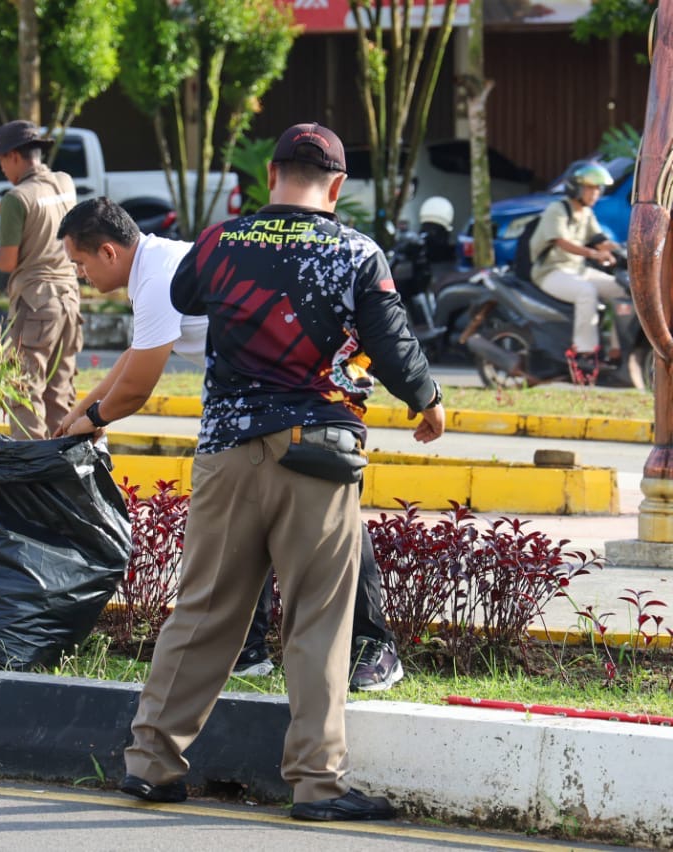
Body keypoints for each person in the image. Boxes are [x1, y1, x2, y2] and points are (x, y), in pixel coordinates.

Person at [116, 123, 444, 820]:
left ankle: (150, 764)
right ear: (337, 186)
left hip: (228, 452)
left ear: (270, 175)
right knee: (318, 617)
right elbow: (390, 340)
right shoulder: (355, 251)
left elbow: (183, 295)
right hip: (317, 453)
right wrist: (427, 399)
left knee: (204, 609)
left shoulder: (221, 241)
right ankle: (317, 783)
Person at [55, 197, 405, 692]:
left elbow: (136, 388)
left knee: (332, 514)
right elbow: (135, 357)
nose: (80, 275)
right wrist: (80, 413)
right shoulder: (155, 264)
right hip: (254, 397)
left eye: (80, 263)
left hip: (303, 391)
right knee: (252, 511)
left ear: (108, 252)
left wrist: (91, 420)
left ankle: (373, 644)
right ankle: (248, 650)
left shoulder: (156, 280)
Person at [0, 120, 81, 439]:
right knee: (59, 392)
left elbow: (7, 261)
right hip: (69, 301)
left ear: (14, 156)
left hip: (36, 304)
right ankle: (61, 462)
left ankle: (28, 465)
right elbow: (44, 220)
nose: (2, 168)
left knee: (23, 392)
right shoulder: (64, 183)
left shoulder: (16, 198)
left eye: (1, 160)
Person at [529, 162, 626, 371]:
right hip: (551, 271)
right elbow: (562, 242)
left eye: (598, 188)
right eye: (590, 188)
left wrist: (624, 249)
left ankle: (617, 350)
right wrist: (594, 254)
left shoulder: (586, 213)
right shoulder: (557, 210)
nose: (596, 193)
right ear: (575, 187)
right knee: (586, 292)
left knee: (622, 289)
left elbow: (600, 240)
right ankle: (584, 353)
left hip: (577, 270)